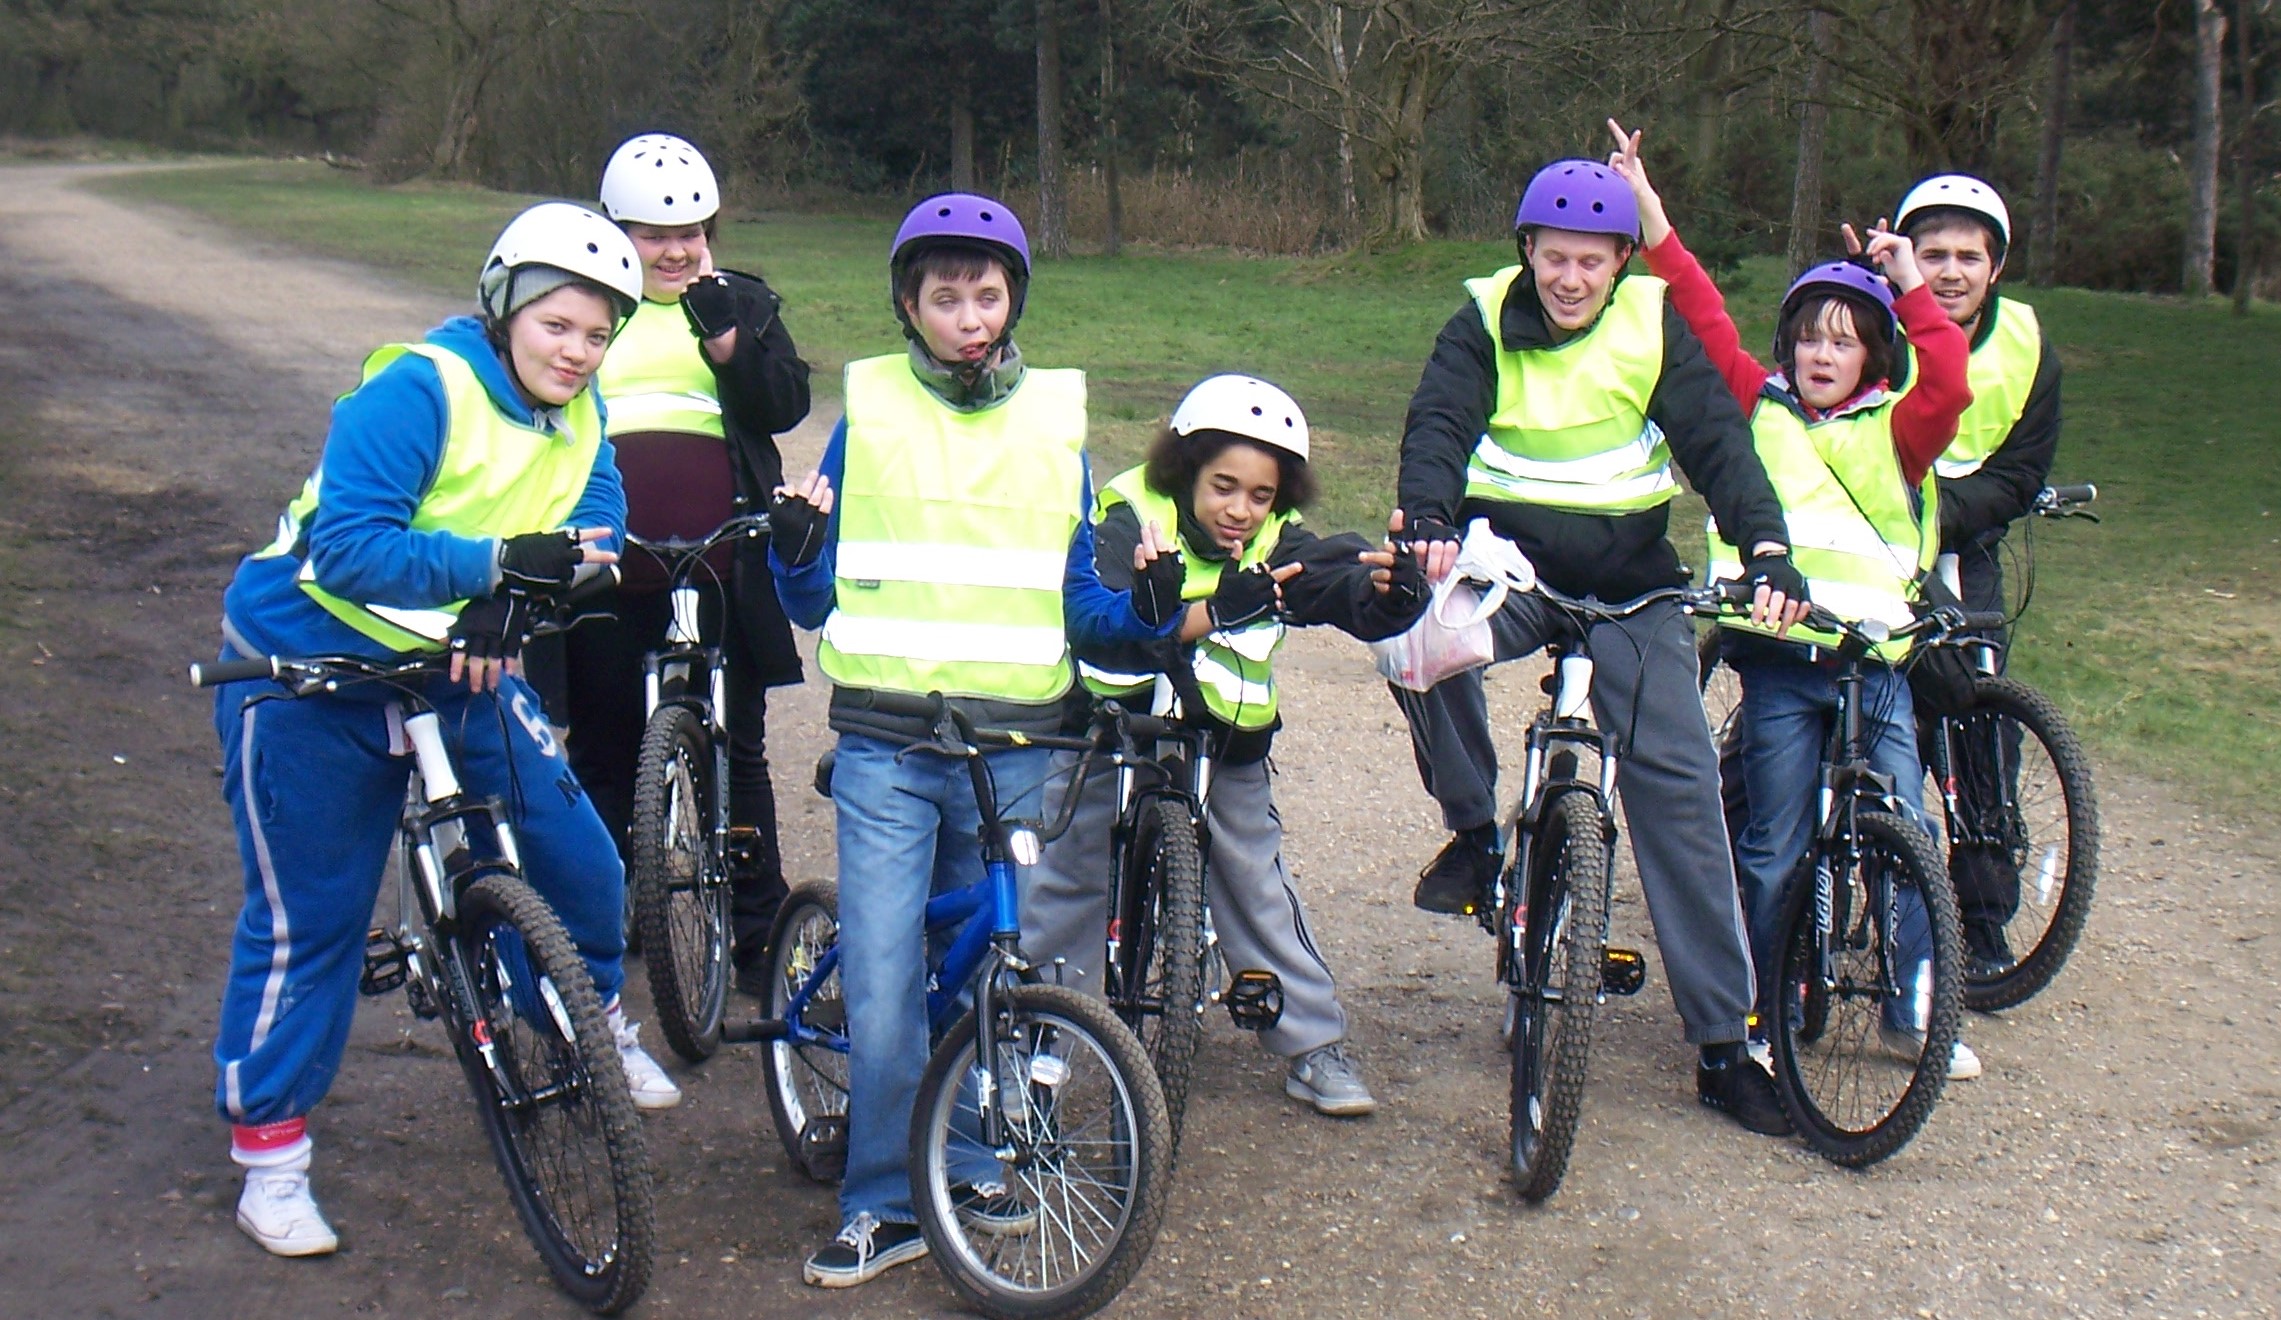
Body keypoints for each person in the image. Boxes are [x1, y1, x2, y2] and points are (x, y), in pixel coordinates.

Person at [206, 203, 681, 1259]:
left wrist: (515, 605)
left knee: (582, 865)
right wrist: (497, 572)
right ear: (506, 307)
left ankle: (584, 1024)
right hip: (307, 666)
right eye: (558, 325)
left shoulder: (582, 409)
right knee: (311, 921)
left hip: (452, 661)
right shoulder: (420, 387)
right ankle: (271, 1161)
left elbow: (592, 539)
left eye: (599, 334)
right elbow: (352, 550)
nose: (578, 351)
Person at [768, 193, 1176, 1288]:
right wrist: (795, 550)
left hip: (1012, 749)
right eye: (943, 295)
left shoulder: (1055, 424)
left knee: (982, 971)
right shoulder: (871, 413)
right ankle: (883, 1202)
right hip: (890, 745)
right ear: (909, 305)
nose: (966, 314)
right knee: (889, 983)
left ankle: (955, 1159)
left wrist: (1142, 610)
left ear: (1013, 301)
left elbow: (1083, 606)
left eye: (984, 293)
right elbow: (814, 598)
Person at [1389, 156, 1808, 1137]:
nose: (1570, 279)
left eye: (1591, 260)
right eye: (1553, 258)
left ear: (1622, 258)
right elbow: (1438, 424)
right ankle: (1476, 833)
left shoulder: (1651, 323)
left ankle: (1723, 1042)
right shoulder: (1481, 322)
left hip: (1629, 583)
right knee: (1411, 644)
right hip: (1513, 568)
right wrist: (1428, 519)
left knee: (1679, 787)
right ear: (1526, 251)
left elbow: (1717, 442)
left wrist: (1771, 547)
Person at [1607, 123, 1981, 1079]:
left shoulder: (1902, 431)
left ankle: (1910, 1004)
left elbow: (1948, 374)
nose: (1822, 353)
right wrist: (1645, 208)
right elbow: (1694, 308)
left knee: (1907, 836)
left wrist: (1905, 279)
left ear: (1871, 356)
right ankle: (1765, 1003)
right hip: (1781, 662)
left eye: (1844, 342)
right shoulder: (1755, 402)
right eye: (1809, 336)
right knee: (1771, 844)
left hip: (1877, 665)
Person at [1021, 374, 1427, 1118]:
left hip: (1225, 739)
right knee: (1068, 876)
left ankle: (1311, 1044)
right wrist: (1192, 605)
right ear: (1185, 472)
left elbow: (1334, 580)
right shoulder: (1127, 515)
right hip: (1111, 730)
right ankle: (1033, 1042)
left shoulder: (1272, 540)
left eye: (1261, 496)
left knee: (1253, 879)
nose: (1240, 511)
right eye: (1223, 486)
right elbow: (1095, 618)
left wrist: (1387, 596)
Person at [559, 133, 810, 993]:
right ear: (614, 230)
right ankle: (600, 918)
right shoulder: (588, 307)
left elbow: (784, 405)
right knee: (602, 747)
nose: (675, 251)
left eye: (693, 232)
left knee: (737, 751)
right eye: (653, 235)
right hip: (608, 560)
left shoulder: (736, 301)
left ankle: (755, 938)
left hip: (719, 560)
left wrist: (730, 345)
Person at [1892, 173, 2062, 977]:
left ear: (1995, 267)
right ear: (1904, 256)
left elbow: (2021, 471)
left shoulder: (2028, 345)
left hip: (1960, 545)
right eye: (1933, 254)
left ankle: (1982, 917)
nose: (1950, 271)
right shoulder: (1866, 320)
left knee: (1976, 724)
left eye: (1968, 256)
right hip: (1859, 539)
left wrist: (1933, 515)